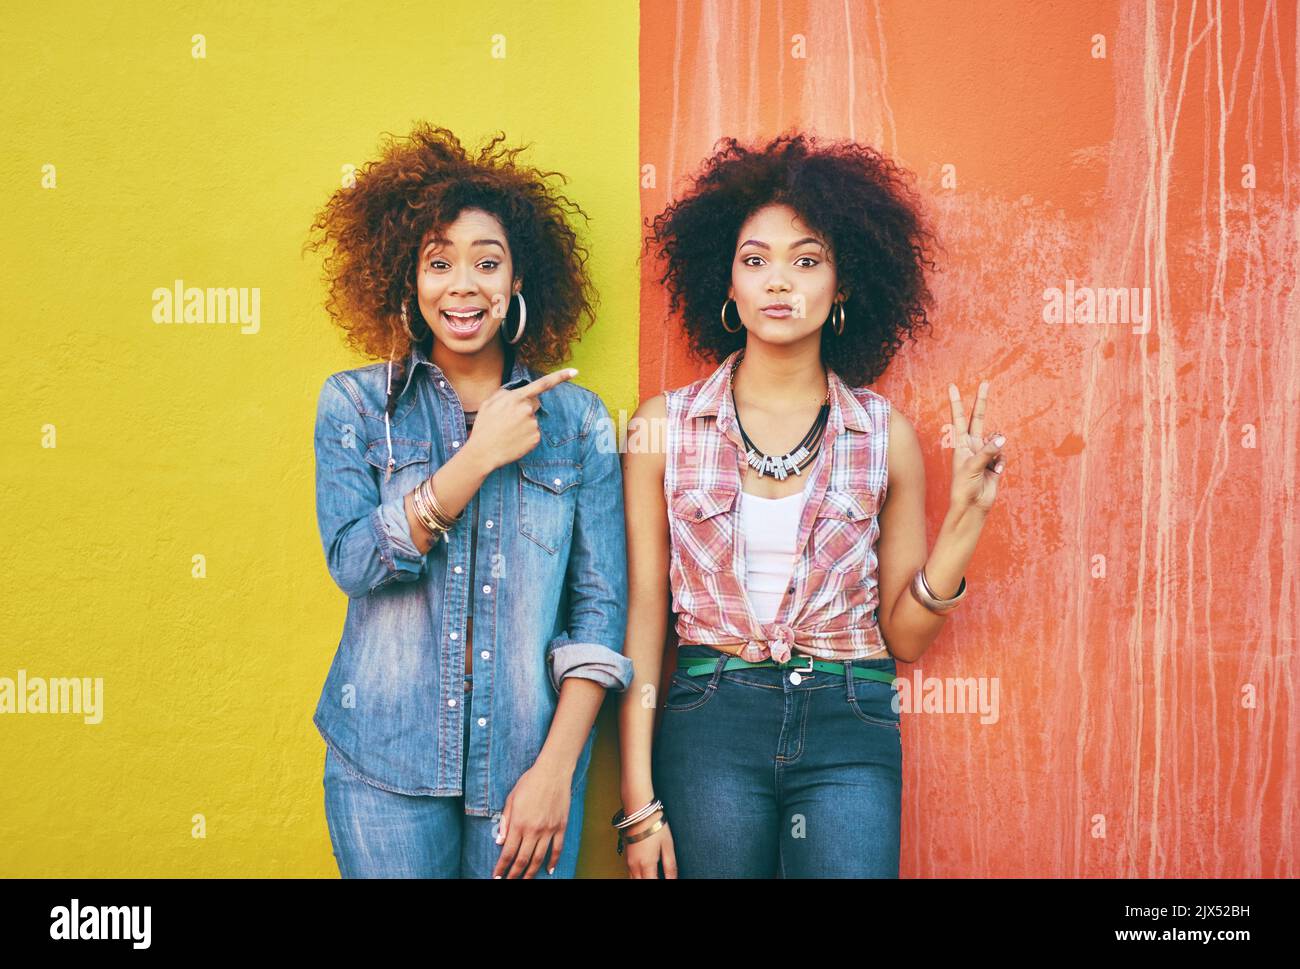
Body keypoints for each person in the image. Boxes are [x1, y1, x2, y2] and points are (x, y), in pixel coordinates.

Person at [617, 132, 1007, 877]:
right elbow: (644, 618)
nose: (778, 281)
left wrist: (965, 519)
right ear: (726, 284)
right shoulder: (659, 428)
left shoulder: (883, 436)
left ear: (843, 286)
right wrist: (638, 802)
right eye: (755, 260)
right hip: (710, 719)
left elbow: (908, 636)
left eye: (807, 259)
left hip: (849, 715)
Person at [305, 123, 633, 878]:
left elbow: (598, 612)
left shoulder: (579, 422)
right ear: (408, 280)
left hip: (525, 776)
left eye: (488, 263)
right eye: (439, 262)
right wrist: (477, 456)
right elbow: (355, 561)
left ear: (517, 282)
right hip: (380, 770)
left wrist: (558, 769)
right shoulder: (354, 407)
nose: (463, 285)